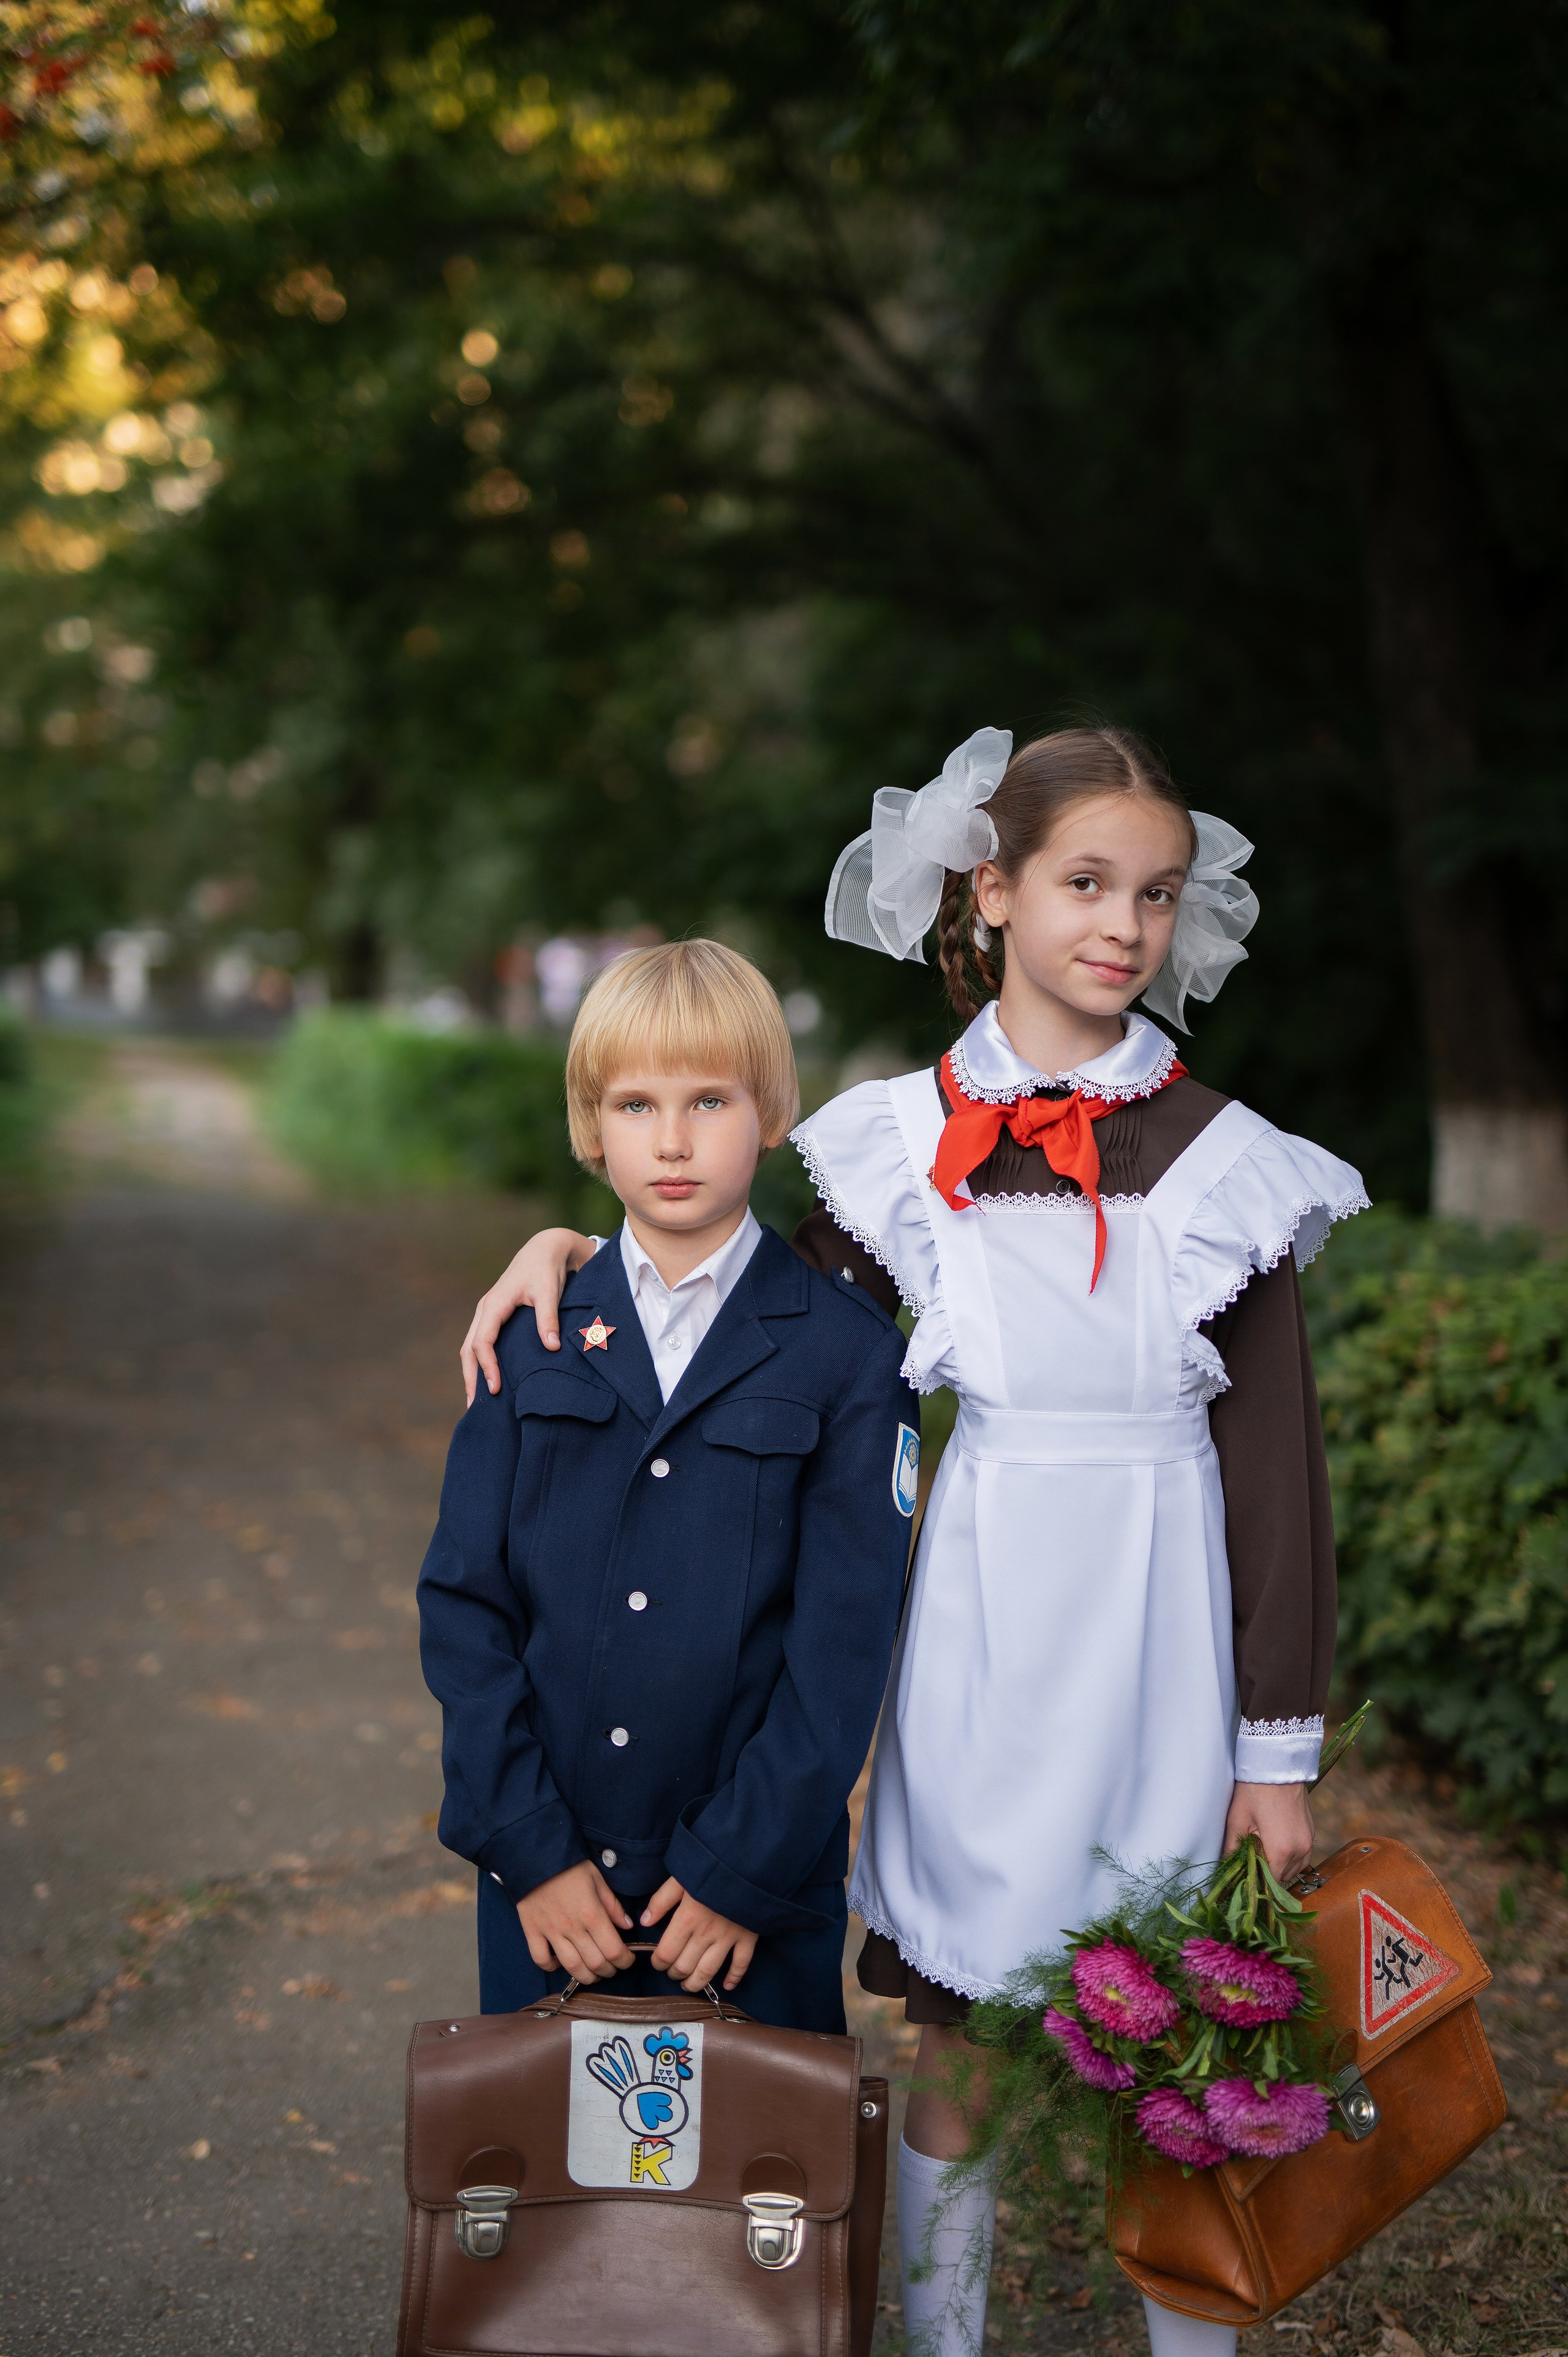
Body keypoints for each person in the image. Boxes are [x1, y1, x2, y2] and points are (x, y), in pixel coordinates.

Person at [457, 728, 1367, 2357]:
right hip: (985, 1638)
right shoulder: (897, 1148)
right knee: (960, 2027)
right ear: (993, 891)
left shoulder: (1228, 1161)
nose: (1125, 924)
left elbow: (1275, 1474)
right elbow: (746, 1303)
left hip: (1166, 1635)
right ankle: (945, 2342)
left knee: (1180, 2032)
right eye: (1086, 883)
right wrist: (567, 1247)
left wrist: (1276, 1748)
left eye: (1156, 893)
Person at [418, 938, 918, 2034]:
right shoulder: (534, 1334)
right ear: (594, 1130)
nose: (675, 1140)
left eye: (710, 1100)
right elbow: (465, 1606)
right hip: (553, 1885)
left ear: (773, 1112)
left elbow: (844, 1644)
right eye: (637, 1106)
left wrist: (747, 1866)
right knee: (549, 2186)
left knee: (760, 2193)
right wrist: (528, 1852)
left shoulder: (847, 1358)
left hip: (749, 1898)